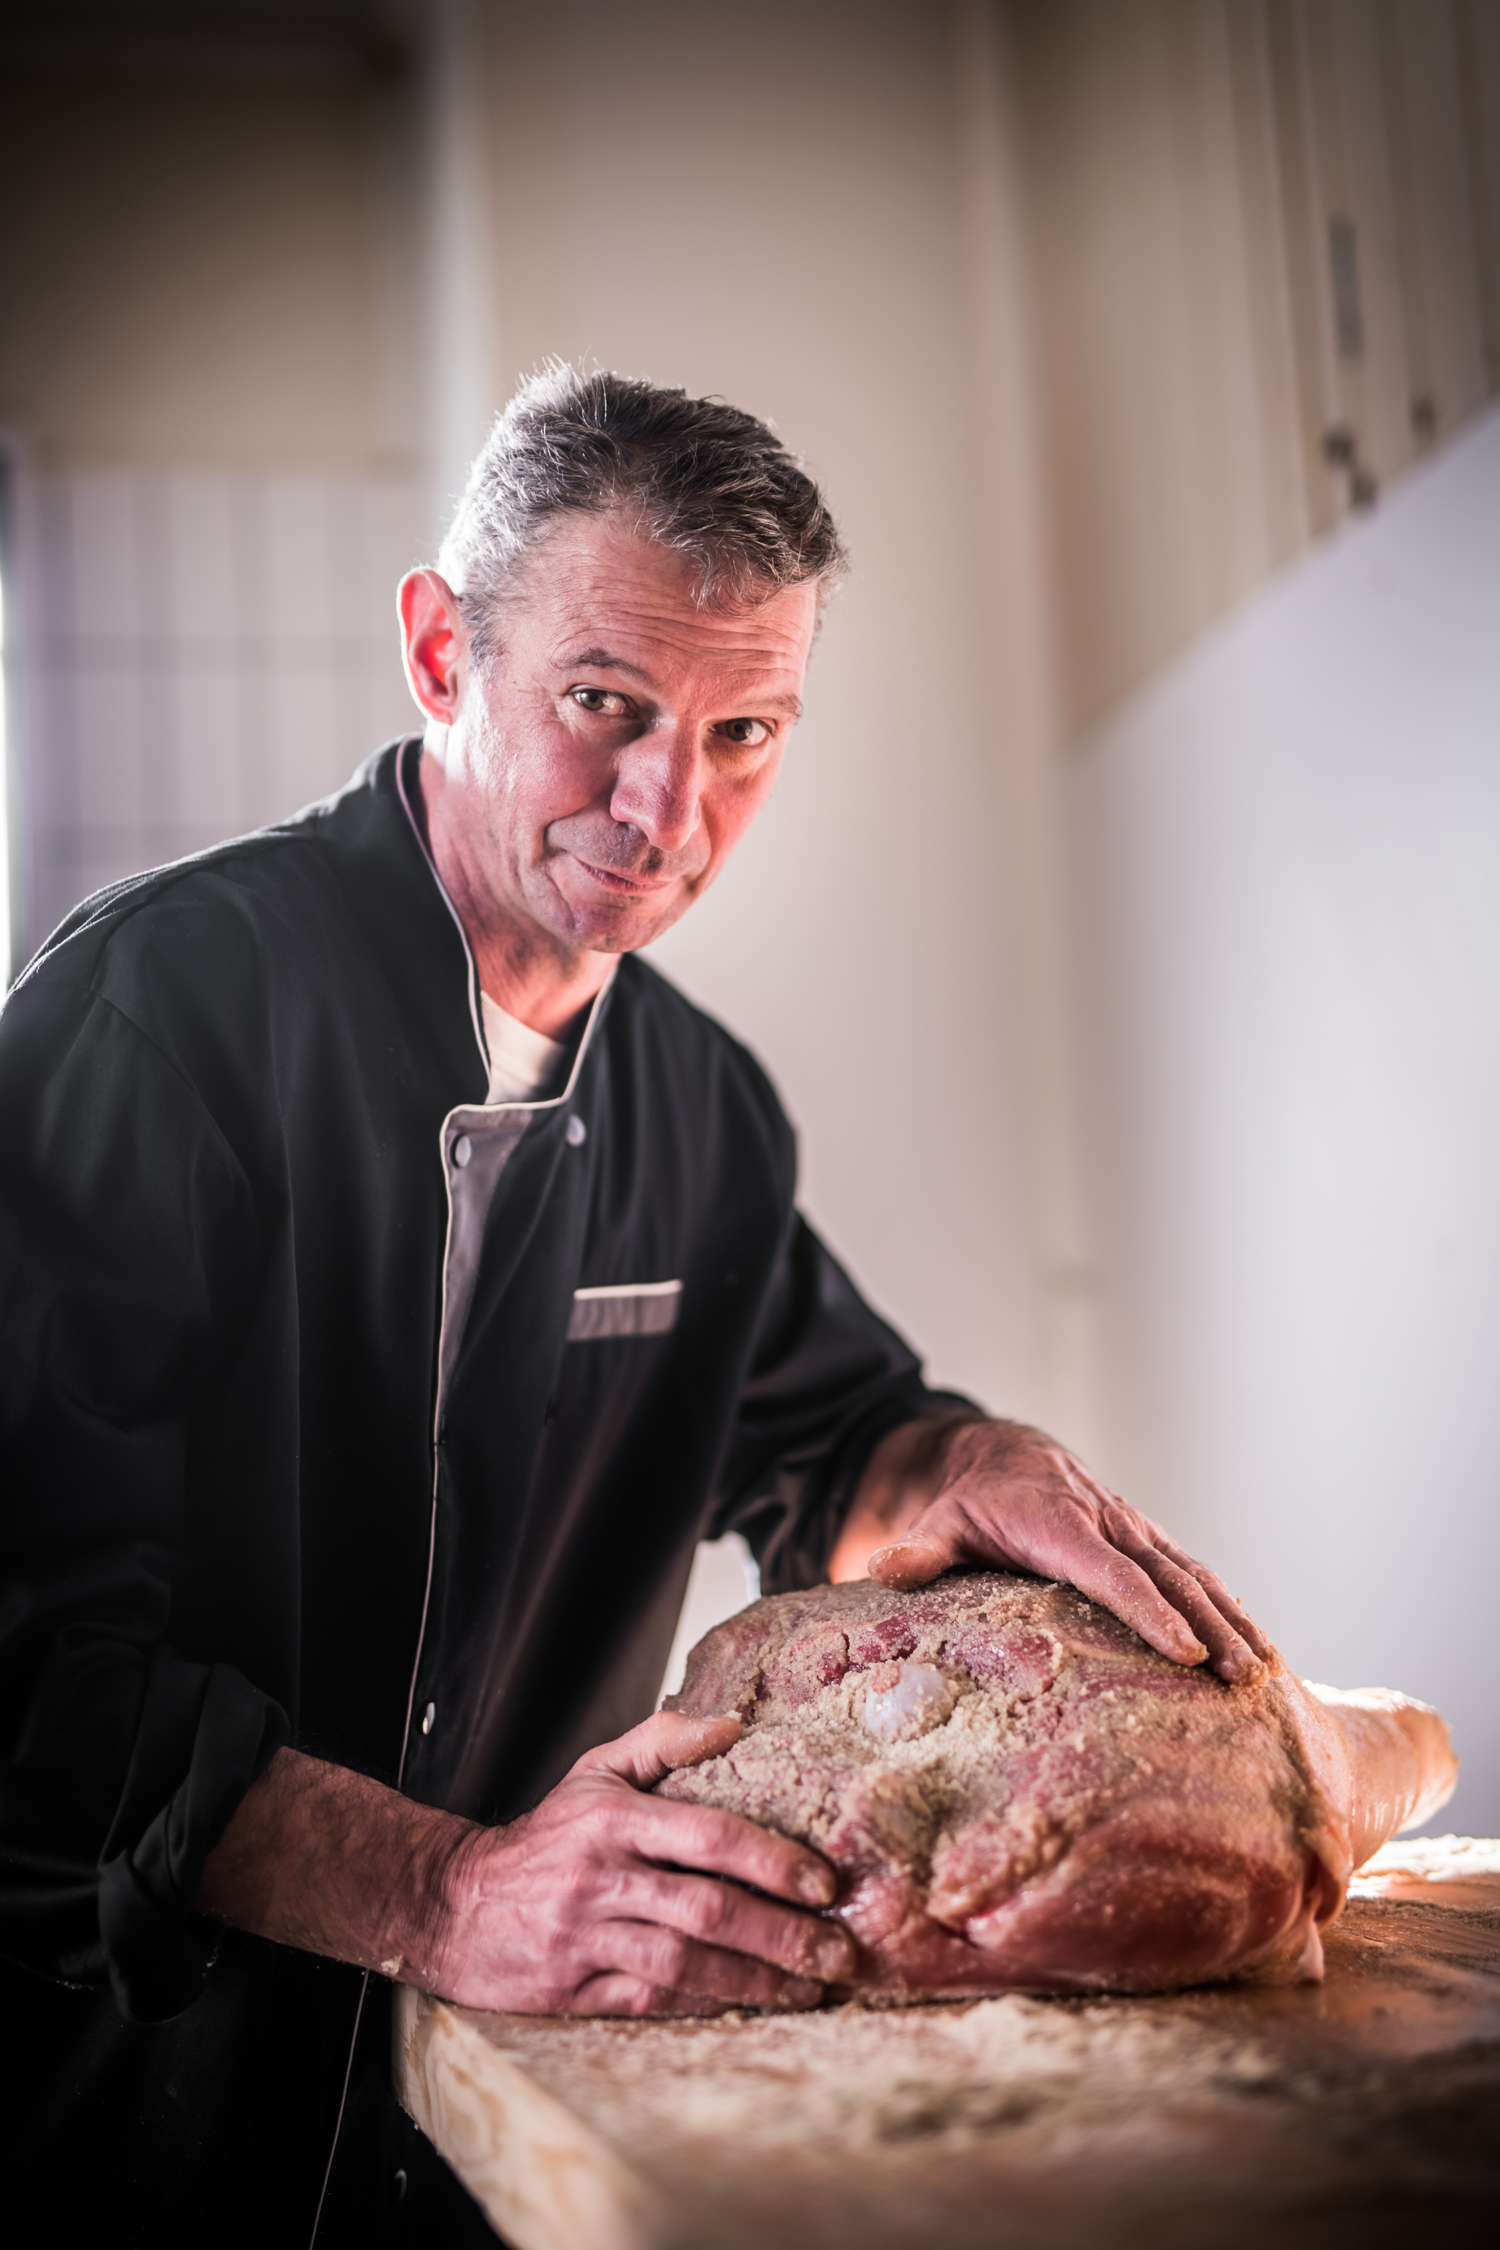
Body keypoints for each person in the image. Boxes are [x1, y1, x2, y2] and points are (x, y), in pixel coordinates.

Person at [0, 368, 1264, 2244]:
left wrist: (955, 1457)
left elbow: (826, 1437)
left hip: (502, 2116)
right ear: (442, 652)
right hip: (121, 2107)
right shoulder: (155, 1019)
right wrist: (442, 1891)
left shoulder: (706, 1108)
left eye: (748, 730)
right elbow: (26, 1654)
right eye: (608, 706)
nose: (672, 806)